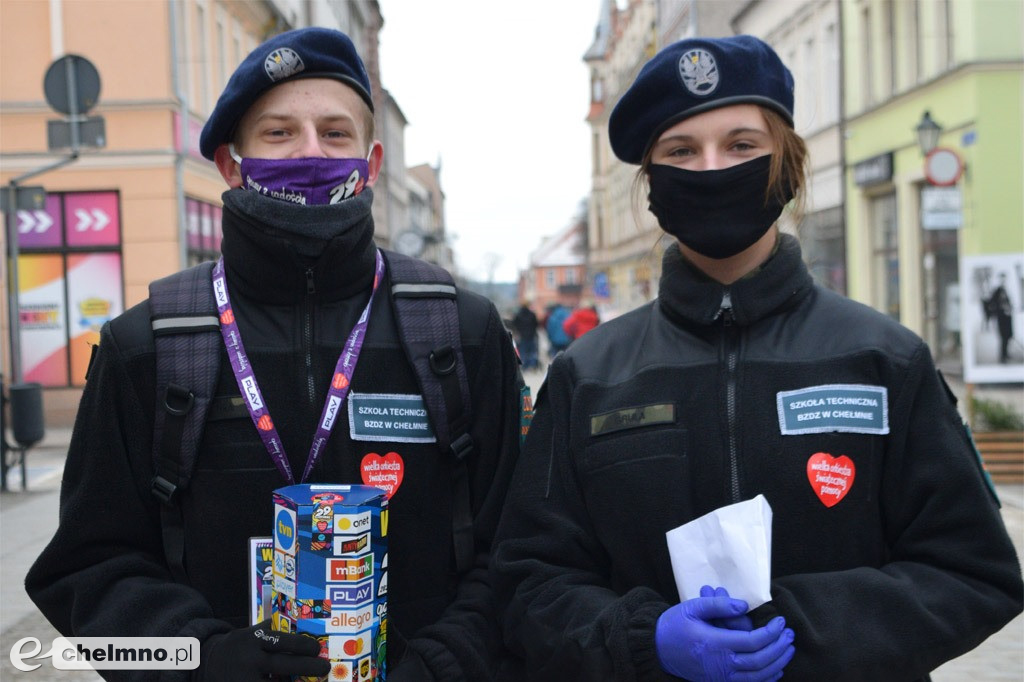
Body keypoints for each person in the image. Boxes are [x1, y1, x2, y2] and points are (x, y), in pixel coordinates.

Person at [491, 35, 1023, 681]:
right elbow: (528, 582)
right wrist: (642, 640)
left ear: (788, 166)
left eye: (742, 145)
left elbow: (973, 573)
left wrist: (797, 623)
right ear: (653, 182)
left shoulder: (884, 358)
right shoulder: (591, 374)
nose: (713, 169)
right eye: (681, 150)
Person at [26, 28, 524, 681]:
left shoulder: (460, 331)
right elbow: (85, 572)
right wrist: (196, 659)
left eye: (335, 134)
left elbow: (522, 549)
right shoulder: (144, 347)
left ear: (370, 164)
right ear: (233, 165)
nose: (311, 152)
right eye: (280, 133)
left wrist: (443, 665)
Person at [985, 272, 1015, 363]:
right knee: (1003, 337)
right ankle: (1002, 356)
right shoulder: (997, 291)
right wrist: (1000, 310)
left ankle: (1006, 354)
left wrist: (1010, 307)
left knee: (1008, 336)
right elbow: (991, 304)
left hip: (1008, 317)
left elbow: (1008, 302)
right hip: (1002, 318)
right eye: (1002, 279)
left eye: (1005, 279)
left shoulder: (1005, 290)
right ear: (999, 280)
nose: (1003, 281)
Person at [511, 299, 541, 370]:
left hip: (522, 336)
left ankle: (524, 365)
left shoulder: (518, 315)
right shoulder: (532, 314)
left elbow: (514, 324)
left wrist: (518, 331)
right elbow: (536, 324)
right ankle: (533, 365)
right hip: (531, 335)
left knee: (523, 351)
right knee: (532, 351)